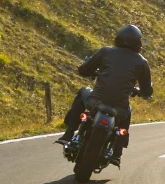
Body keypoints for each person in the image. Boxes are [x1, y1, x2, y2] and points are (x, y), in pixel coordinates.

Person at [57, 25, 153, 167]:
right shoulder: (142, 62)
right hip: (120, 107)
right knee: (127, 114)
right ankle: (117, 153)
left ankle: (69, 132)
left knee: (83, 91)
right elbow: (147, 92)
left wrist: (93, 72)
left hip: (96, 102)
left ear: (118, 38)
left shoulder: (106, 52)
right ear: (138, 43)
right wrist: (139, 91)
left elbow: (83, 70)